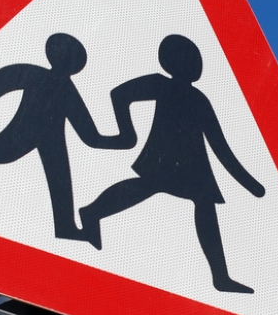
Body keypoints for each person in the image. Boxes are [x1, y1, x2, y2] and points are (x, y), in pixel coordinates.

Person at [79, 34, 265, 294]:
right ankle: (91, 213)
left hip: (192, 163)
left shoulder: (200, 100)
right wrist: (127, 133)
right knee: (149, 188)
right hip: (165, 155)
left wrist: (250, 183)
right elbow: (120, 94)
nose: (197, 65)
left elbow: (220, 146)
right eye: (191, 60)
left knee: (197, 201)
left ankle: (221, 277)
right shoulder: (161, 85)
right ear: (174, 62)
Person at [0, 33, 132, 240]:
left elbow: (89, 134)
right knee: (3, 153)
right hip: (26, 130)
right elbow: (0, 81)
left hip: (52, 139)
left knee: (60, 179)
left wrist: (121, 141)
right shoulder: (37, 75)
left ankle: (66, 226)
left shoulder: (65, 89)